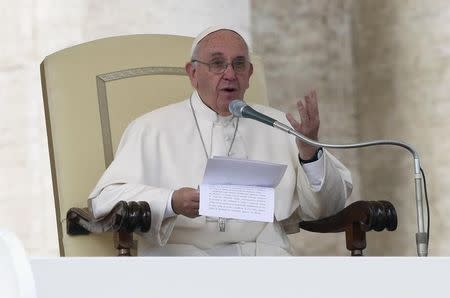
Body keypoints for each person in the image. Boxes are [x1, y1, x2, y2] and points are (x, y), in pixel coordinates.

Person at [88, 27, 353, 256]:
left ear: (249, 73)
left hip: (265, 263)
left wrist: (310, 153)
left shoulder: (279, 126)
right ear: (192, 73)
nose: (230, 73)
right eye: (217, 63)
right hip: (181, 267)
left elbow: (328, 207)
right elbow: (103, 199)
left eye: (239, 64)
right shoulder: (150, 128)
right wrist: (171, 201)